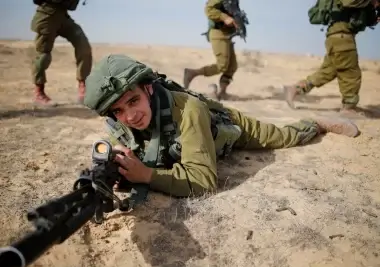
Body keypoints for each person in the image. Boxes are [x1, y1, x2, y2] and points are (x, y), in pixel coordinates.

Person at [83, 54, 360, 198]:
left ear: (148, 89)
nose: (130, 116)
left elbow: (203, 181)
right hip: (192, 130)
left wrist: (146, 176)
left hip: (223, 124)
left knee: (279, 137)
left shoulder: (187, 111)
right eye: (118, 110)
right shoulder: (119, 122)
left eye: (133, 101)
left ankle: (316, 123)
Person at [283, 0, 379, 115]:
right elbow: (348, 3)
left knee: (327, 72)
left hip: (337, 38)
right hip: (342, 38)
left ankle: (296, 89)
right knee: (351, 73)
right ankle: (348, 108)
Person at [30, 0, 93, 106]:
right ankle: (39, 93)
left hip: (63, 16)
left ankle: (83, 88)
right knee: (43, 55)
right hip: (46, 14)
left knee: (83, 46)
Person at [182, 0, 244, 100]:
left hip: (227, 35)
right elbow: (209, 9)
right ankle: (192, 73)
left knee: (232, 66)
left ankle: (222, 93)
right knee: (222, 65)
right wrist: (225, 18)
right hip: (218, 34)